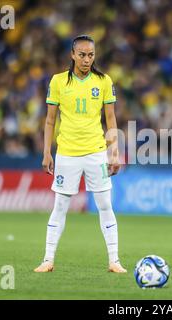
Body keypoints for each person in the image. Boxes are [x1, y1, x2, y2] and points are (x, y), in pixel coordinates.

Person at [34, 35, 127, 273]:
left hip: (96, 152)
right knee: (61, 206)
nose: (87, 59)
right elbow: (50, 121)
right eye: (82, 54)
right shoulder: (57, 82)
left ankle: (114, 261)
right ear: (73, 55)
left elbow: (111, 119)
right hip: (67, 154)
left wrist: (113, 152)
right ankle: (48, 259)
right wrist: (47, 152)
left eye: (91, 55)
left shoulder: (104, 81)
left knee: (105, 205)